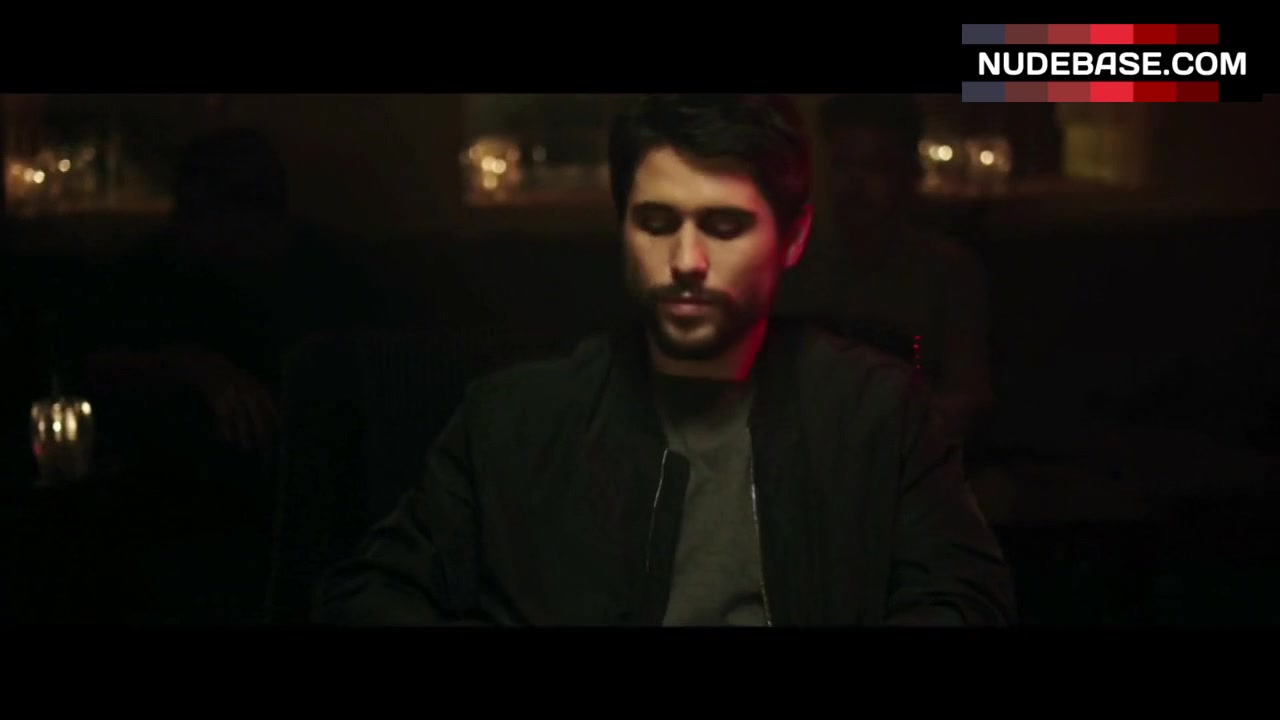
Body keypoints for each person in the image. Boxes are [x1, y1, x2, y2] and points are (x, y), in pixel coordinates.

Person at [314, 95, 1013, 626]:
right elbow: (372, 594)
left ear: (793, 238)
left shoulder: (877, 413)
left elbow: (962, 599)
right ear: (622, 226)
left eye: (723, 225)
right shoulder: (512, 421)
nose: (686, 260)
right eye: (656, 222)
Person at [784, 94, 994, 441]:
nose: (854, 184)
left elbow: (968, 397)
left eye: (875, 167)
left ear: (910, 176)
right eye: (841, 166)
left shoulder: (946, 272)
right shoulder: (793, 265)